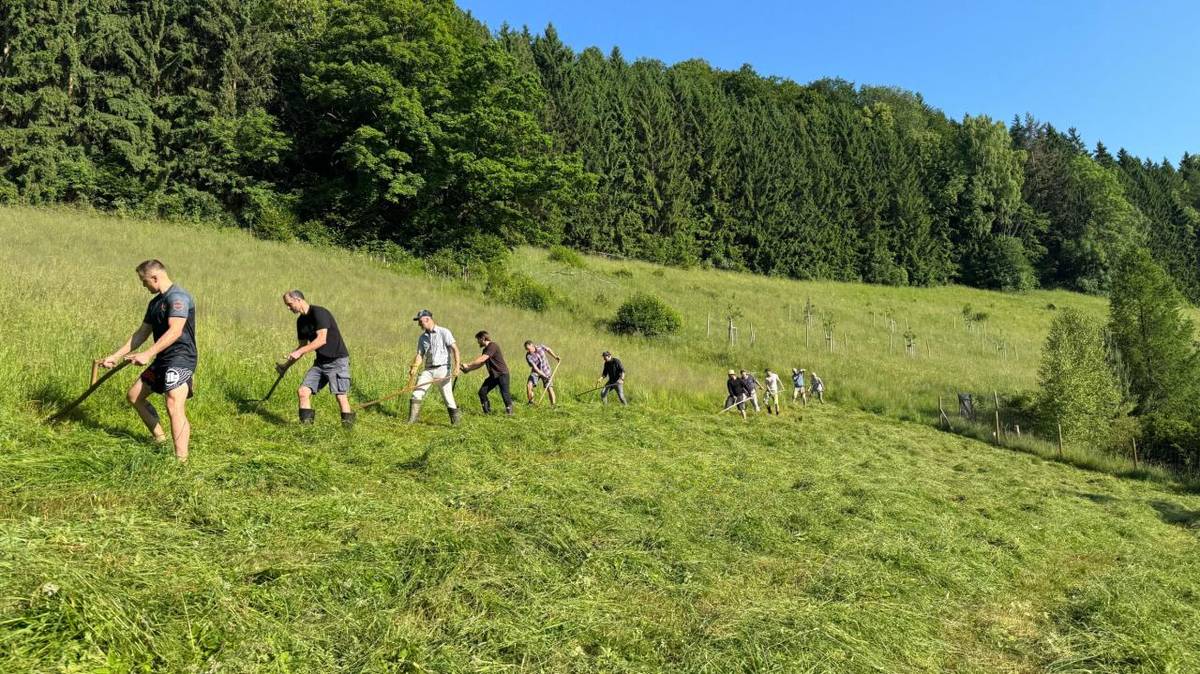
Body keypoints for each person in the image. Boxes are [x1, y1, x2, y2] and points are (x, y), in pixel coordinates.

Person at [99, 259, 196, 462]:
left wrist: (147, 354)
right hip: (163, 358)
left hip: (181, 358)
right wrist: (115, 356)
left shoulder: (178, 297)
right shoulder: (155, 303)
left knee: (173, 403)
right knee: (135, 396)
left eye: (144, 281)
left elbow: (176, 331)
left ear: (155, 277)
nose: (144, 286)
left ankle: (181, 462)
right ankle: (160, 440)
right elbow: (141, 334)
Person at [280, 290, 354, 427]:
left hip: (337, 361)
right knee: (303, 392)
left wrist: (299, 351)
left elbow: (321, 340)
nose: (288, 308)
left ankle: (348, 432)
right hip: (320, 363)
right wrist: (286, 366)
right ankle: (306, 430)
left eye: (289, 304)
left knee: (340, 396)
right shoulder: (300, 322)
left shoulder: (319, 313)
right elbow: (301, 347)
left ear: (298, 300)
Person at [408, 309, 462, 425]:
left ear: (427, 319)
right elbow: (420, 354)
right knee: (416, 393)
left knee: (448, 398)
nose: (419, 324)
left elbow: (455, 350)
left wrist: (457, 367)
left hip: (443, 369)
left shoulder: (444, 332)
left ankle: (456, 424)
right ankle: (412, 421)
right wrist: (415, 367)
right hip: (428, 370)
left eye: (420, 321)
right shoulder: (422, 338)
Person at [461, 331, 513, 416]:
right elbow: (481, 364)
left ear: (483, 338)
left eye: (478, 339)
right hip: (494, 376)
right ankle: (487, 413)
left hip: (502, 374)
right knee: (482, 392)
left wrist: (468, 364)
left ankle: (509, 413)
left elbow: (482, 359)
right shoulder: (485, 350)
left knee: (505, 393)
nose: (478, 342)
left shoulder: (493, 346)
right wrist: (468, 369)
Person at [524, 341, 561, 406]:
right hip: (536, 372)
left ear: (532, 345)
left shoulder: (541, 347)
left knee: (549, 388)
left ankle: (553, 405)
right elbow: (535, 368)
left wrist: (555, 357)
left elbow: (548, 349)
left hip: (546, 371)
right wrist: (543, 375)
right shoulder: (528, 356)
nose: (528, 351)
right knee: (529, 385)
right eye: (526, 349)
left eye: (529, 349)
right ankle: (531, 403)